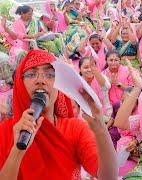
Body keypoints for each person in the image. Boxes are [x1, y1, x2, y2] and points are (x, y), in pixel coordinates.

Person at [0, 50, 117, 179]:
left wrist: (100, 128)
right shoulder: (4, 132)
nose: (40, 80)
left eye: (50, 74)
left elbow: (108, 177)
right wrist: (17, 151)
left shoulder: (74, 129)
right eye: (32, 74)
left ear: (59, 86)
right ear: (20, 83)